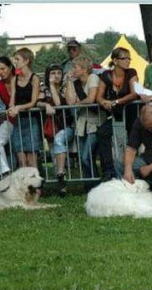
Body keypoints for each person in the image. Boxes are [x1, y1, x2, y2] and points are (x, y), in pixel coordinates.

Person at [96, 47, 139, 181]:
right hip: (116, 115)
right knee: (102, 133)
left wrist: (116, 101)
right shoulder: (106, 75)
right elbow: (99, 96)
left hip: (131, 114)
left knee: (133, 139)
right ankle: (108, 171)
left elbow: (135, 93)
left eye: (129, 58)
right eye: (124, 58)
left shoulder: (131, 72)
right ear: (115, 60)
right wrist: (104, 102)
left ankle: (134, 169)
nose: (128, 61)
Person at [65, 55, 102, 190]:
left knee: (87, 156)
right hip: (82, 124)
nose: (73, 70)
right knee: (83, 157)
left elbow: (91, 98)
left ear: (84, 69)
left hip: (95, 122)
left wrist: (78, 103)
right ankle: (89, 185)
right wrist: (69, 81)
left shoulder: (93, 78)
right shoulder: (76, 83)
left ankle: (96, 185)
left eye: (75, 67)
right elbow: (69, 102)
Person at [37, 64, 73, 196]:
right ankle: (62, 186)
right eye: (53, 73)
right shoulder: (43, 88)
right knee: (54, 156)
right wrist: (45, 104)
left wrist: (53, 86)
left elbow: (59, 104)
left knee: (59, 141)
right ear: (48, 75)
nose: (57, 75)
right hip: (51, 127)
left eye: (59, 73)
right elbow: (37, 102)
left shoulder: (65, 87)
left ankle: (61, 174)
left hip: (66, 126)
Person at [9, 47, 41, 168]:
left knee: (31, 161)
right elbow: (12, 99)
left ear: (26, 61)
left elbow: (33, 102)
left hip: (31, 120)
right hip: (18, 121)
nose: (15, 62)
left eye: (17, 59)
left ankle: (36, 186)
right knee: (21, 161)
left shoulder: (34, 78)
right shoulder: (14, 79)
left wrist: (18, 107)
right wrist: (12, 108)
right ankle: (25, 186)